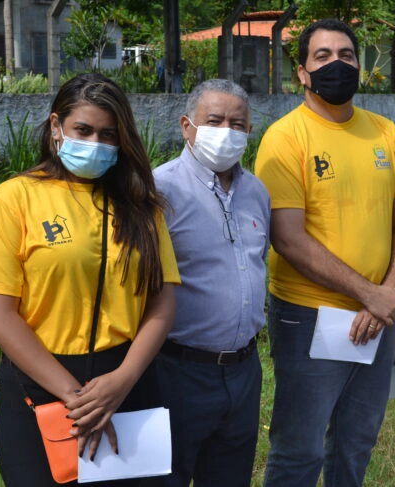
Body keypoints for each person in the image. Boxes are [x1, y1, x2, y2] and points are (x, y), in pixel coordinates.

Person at [0, 73, 180, 486]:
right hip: (41, 383)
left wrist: (121, 381)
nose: (96, 144)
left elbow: (163, 300)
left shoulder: (141, 206)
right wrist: (75, 398)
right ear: (56, 128)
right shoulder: (13, 199)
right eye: (83, 130)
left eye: (109, 135)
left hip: (129, 381)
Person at [254, 18, 395, 487]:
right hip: (309, 316)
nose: (336, 65)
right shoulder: (286, 138)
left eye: (346, 56)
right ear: (302, 73)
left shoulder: (385, 133)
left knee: (356, 441)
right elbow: (287, 238)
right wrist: (369, 292)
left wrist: (384, 294)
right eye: (323, 56)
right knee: (299, 448)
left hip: (379, 315)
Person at [145, 79, 270, 487]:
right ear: (186, 126)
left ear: (249, 132)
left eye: (238, 123)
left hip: (244, 370)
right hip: (178, 369)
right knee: (168, 476)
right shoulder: (158, 190)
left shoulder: (257, 192)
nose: (227, 131)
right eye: (214, 120)